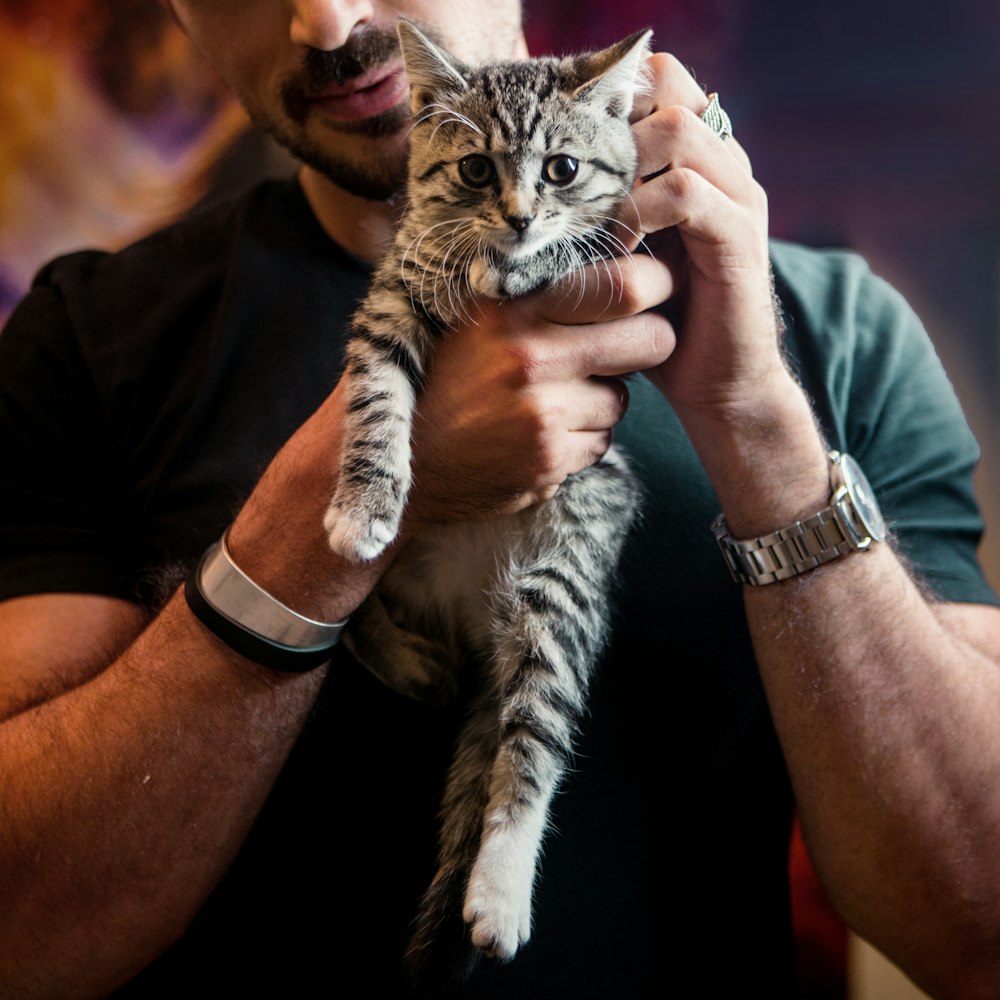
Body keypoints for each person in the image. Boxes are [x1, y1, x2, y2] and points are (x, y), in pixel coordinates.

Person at [1, 1, 998, 996]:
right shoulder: (86, 342)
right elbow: (22, 935)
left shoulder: (844, 331)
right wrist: (319, 526)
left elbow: (975, 931)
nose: (324, 21)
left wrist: (758, 422)